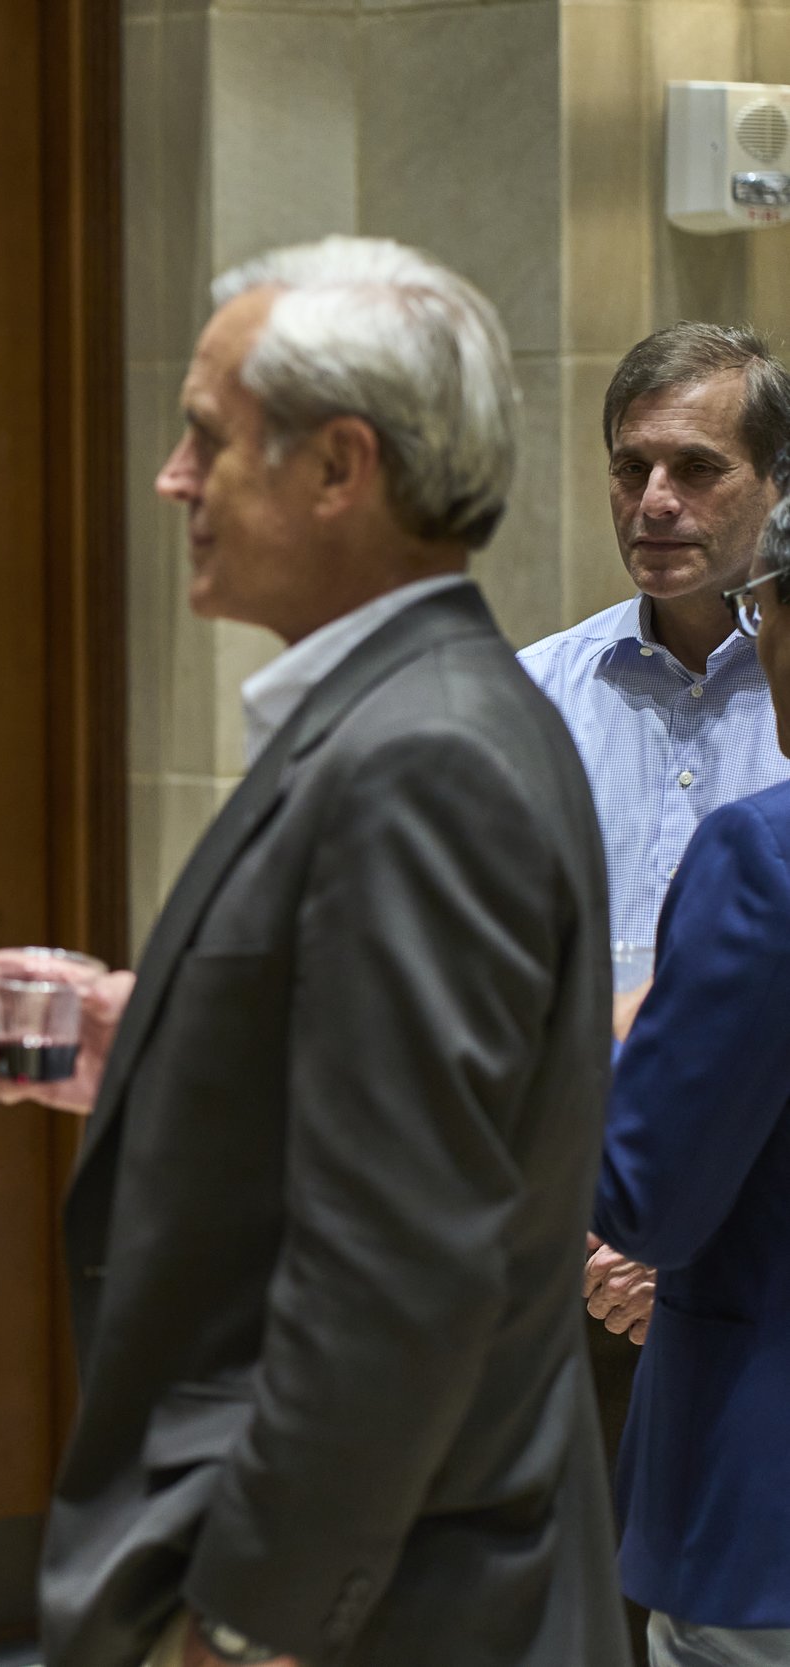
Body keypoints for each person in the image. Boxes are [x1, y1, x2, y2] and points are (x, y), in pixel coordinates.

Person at [0, 237, 628, 1667]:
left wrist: (249, 1625)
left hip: (383, 1604)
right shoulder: (426, 708)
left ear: (340, 468)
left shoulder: (423, 753)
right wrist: (163, 1038)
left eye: (207, 437)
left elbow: (399, 1270)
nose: (173, 478)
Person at [517, 329, 790, 1643]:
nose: (656, 501)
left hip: (751, 1267)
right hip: (553, 1257)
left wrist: (664, 1231)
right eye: (630, 467)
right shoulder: (535, 694)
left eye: (697, 465)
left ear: (777, 483)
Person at [592, 497, 790, 1667]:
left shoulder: (763, 856)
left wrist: (604, 1041)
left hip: (764, 1496)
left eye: (762, 607)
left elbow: (647, 1193)